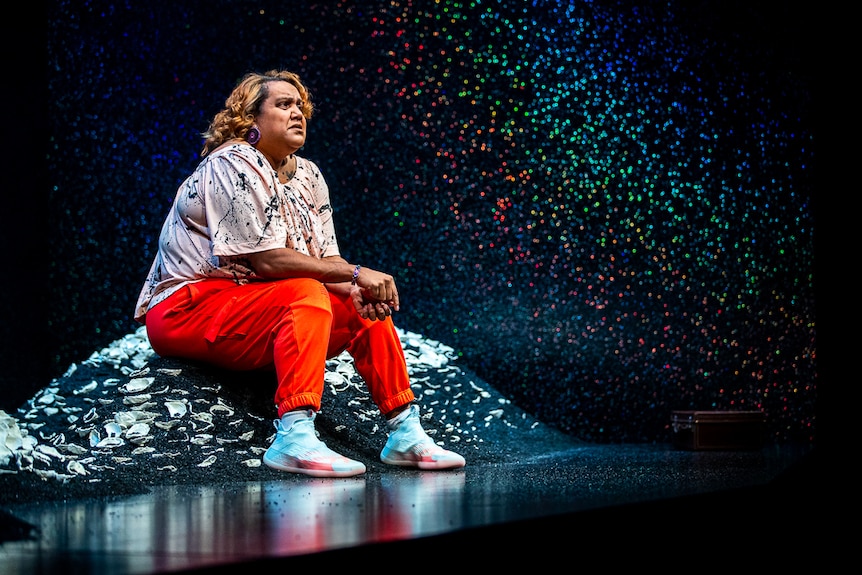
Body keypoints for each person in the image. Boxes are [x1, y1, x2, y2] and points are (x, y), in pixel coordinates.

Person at [134, 69, 465, 477]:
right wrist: (356, 273)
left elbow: (328, 262)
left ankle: (404, 431)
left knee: (362, 306)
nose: (298, 114)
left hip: (249, 308)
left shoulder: (308, 174)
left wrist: (354, 287)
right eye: (283, 105)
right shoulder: (232, 161)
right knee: (308, 291)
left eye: (301, 107)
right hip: (184, 308)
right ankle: (294, 436)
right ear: (250, 120)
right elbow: (269, 262)